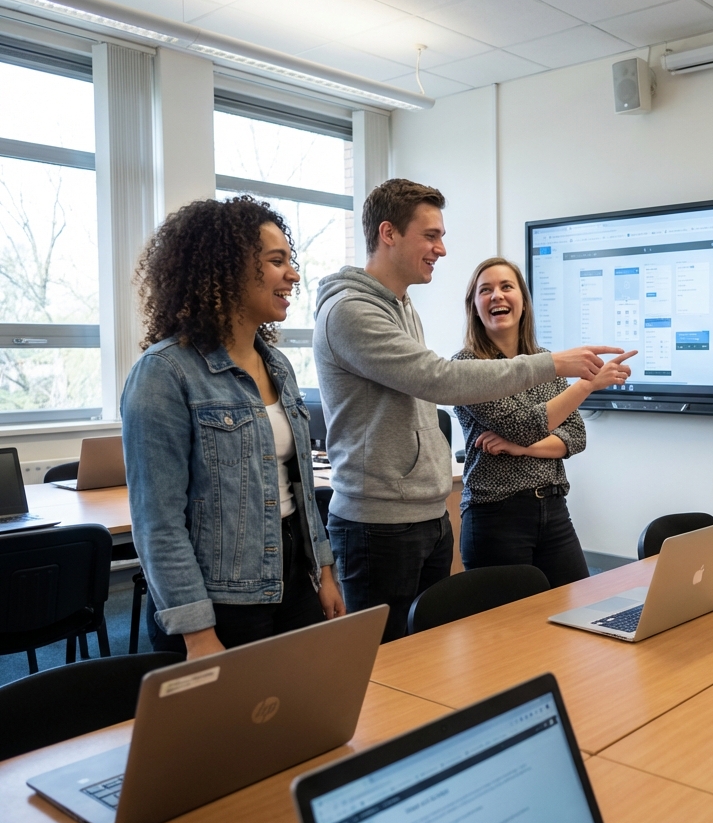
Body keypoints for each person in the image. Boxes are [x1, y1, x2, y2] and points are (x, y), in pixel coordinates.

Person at [313, 178, 629, 641]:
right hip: (382, 524)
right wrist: (556, 368)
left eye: (507, 287)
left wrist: (526, 442)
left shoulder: (402, 307)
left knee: (431, 657)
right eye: (431, 235)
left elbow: (574, 436)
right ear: (388, 233)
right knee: (397, 669)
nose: (441, 248)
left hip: (427, 515)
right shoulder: (351, 311)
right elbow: (442, 380)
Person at [122, 196, 345, 660]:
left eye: (291, 260)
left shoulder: (278, 365)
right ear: (225, 270)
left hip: (292, 577)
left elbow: (299, 486)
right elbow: (157, 523)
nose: (294, 275)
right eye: (276, 261)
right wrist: (196, 631)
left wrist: (324, 573)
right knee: (227, 732)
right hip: (221, 599)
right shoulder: (164, 373)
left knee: (298, 719)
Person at [452, 258, 635, 586]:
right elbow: (521, 425)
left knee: (572, 616)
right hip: (496, 516)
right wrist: (587, 384)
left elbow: (575, 436)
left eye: (507, 287)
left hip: (552, 508)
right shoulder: (467, 366)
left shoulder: (545, 361)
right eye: (486, 290)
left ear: (523, 302)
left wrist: (519, 449)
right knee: (510, 633)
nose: (497, 296)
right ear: (474, 306)